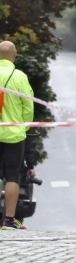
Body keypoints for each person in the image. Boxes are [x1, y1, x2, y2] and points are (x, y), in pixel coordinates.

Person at [0, 41, 34, 231]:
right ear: (14, 55)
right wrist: (24, 126)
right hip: (13, 134)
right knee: (12, 175)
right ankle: (9, 219)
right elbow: (28, 107)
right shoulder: (19, 77)